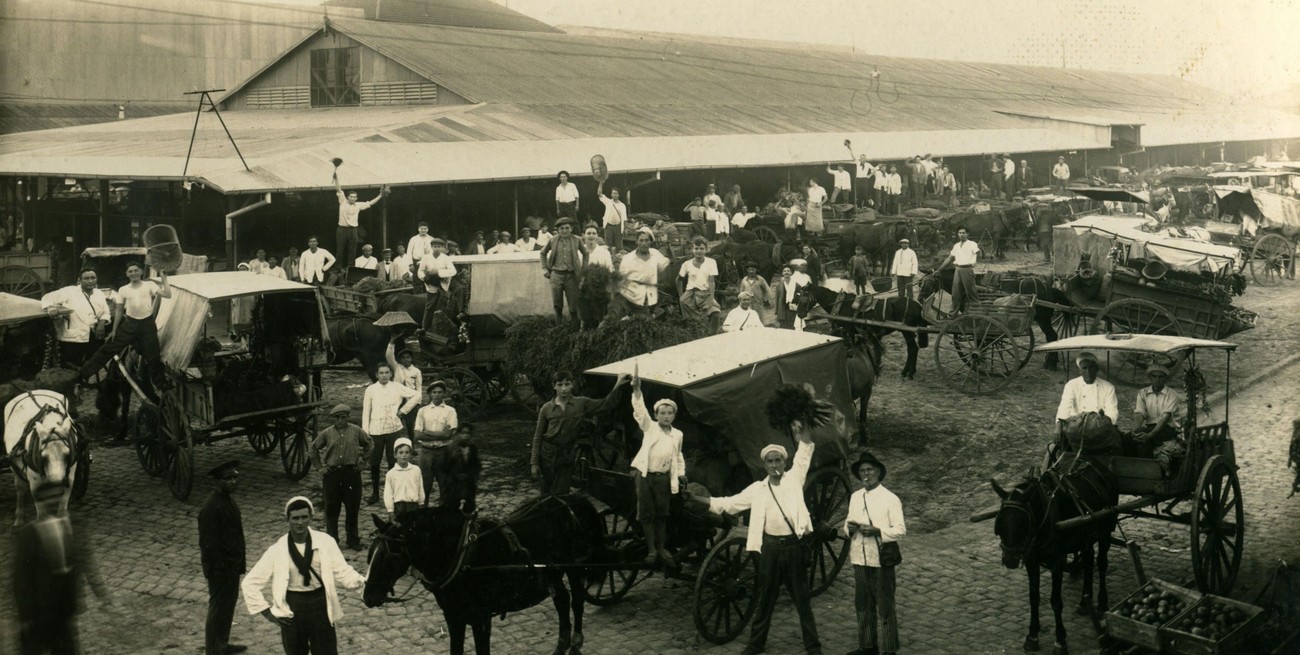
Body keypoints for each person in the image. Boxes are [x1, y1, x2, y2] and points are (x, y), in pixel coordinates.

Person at [689, 420, 821, 655]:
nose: (774, 465)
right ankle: (756, 644)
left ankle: (813, 647)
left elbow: (806, 447)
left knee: (802, 601)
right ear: (765, 465)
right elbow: (728, 504)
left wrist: (805, 420)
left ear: (784, 462)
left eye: (777, 460)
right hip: (769, 550)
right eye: (769, 462)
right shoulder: (757, 490)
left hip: (793, 549)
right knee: (765, 600)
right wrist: (699, 501)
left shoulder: (795, 479)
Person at [242, 497, 367, 655]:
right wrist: (268, 613)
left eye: (304, 517)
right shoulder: (278, 549)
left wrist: (364, 583)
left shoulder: (325, 542)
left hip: (320, 604)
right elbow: (250, 583)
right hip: (293, 606)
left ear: (311, 518)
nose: (300, 522)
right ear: (287, 519)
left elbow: (343, 572)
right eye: (295, 518)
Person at [13, 482, 109, 655]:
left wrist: (100, 592)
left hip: (64, 611)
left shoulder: (72, 527)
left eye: (56, 498)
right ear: (39, 504)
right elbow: (21, 579)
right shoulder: (29, 535)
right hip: (38, 614)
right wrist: (25, 616)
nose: (52, 504)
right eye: (47, 500)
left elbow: (85, 561)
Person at [844, 453, 906, 655]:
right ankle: (868, 646)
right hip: (860, 558)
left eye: (869, 470)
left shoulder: (890, 499)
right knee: (863, 603)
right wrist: (850, 529)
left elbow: (900, 529)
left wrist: (878, 530)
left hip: (881, 559)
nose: (866, 474)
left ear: (878, 472)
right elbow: (847, 525)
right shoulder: (855, 497)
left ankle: (889, 649)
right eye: (862, 471)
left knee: (885, 604)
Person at [531, 371, 629, 496]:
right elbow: (538, 437)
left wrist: (618, 383)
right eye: (560, 385)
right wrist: (534, 463)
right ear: (554, 386)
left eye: (567, 384)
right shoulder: (546, 408)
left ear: (573, 385)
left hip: (566, 454)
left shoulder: (581, 403)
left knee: (561, 494)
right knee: (545, 494)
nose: (564, 389)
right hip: (547, 455)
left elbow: (605, 403)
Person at [77, 261, 171, 387]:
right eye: (130, 271)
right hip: (130, 324)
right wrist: (115, 330)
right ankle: (82, 374)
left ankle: (161, 383)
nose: (134, 273)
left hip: (147, 325)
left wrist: (164, 278)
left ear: (141, 272)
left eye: (136, 270)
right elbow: (120, 310)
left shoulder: (149, 285)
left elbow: (168, 295)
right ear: (127, 274)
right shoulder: (123, 289)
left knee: (153, 355)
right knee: (108, 348)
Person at [629, 371, 686, 568]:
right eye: (662, 413)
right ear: (656, 415)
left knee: (662, 515)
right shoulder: (650, 427)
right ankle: (651, 550)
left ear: (674, 415)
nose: (666, 416)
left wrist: (680, 474)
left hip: (663, 480)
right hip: (645, 477)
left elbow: (678, 456)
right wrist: (637, 390)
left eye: (670, 413)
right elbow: (640, 411)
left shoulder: (677, 435)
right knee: (647, 514)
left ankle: (661, 548)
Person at [199, 460, 247, 655]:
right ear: (217, 481)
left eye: (235, 477)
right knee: (219, 607)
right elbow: (208, 543)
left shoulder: (227, 500)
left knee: (228, 605)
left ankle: (222, 644)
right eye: (228, 478)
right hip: (221, 569)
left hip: (231, 565)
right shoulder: (211, 508)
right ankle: (213, 649)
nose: (233, 481)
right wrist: (220, 568)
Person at [310, 404, 372, 551]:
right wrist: (319, 467)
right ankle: (332, 541)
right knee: (332, 509)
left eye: (343, 417)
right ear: (334, 419)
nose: (340, 421)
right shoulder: (327, 433)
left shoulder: (356, 431)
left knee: (352, 508)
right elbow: (313, 449)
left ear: (348, 417)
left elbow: (370, 444)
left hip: (352, 474)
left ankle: (353, 540)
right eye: (337, 418)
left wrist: (363, 463)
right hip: (332, 475)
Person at [363, 364, 421, 506]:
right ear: (376, 375)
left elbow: (417, 394)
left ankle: (393, 493)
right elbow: (366, 412)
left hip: (394, 429)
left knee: (392, 462)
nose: (384, 375)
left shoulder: (396, 387)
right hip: (376, 430)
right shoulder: (370, 390)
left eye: (386, 372)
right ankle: (375, 493)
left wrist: (403, 411)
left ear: (390, 374)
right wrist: (365, 433)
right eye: (381, 373)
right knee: (375, 462)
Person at [42, 267, 111, 370]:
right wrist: (51, 307)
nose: (90, 281)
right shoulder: (69, 291)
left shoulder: (99, 293)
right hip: (74, 336)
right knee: (71, 365)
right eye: (86, 278)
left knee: (91, 362)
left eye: (93, 278)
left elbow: (106, 311)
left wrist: (101, 324)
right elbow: (47, 297)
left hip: (93, 333)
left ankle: (87, 383)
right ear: (79, 280)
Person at [1130, 364, 1186, 476]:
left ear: (1165, 378)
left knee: (1145, 439)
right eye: (1154, 376)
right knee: (1129, 437)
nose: (1157, 380)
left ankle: (1151, 472)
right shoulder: (1143, 393)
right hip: (1150, 428)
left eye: (1161, 377)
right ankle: (1136, 470)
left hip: (1168, 429)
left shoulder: (1172, 395)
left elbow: (1165, 418)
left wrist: (1151, 434)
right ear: (1150, 378)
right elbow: (1139, 413)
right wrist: (1135, 430)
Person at [413, 380, 458, 503]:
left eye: (440, 392)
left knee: (444, 484)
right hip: (426, 452)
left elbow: (449, 434)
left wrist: (427, 432)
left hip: (443, 452)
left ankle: (442, 515)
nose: (437, 395)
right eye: (434, 392)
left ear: (444, 393)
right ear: (430, 394)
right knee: (424, 485)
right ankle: (424, 513)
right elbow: (417, 435)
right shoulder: (422, 411)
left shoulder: (450, 411)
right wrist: (440, 435)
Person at [610, 228, 669, 320]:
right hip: (625, 297)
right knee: (612, 318)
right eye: (641, 240)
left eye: (646, 240)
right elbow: (620, 280)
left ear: (650, 242)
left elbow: (666, 266)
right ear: (636, 242)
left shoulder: (655, 255)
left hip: (642, 300)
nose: (644, 243)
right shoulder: (628, 259)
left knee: (641, 324)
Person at [540, 217, 587, 326]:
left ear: (571, 229)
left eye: (567, 228)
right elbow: (543, 253)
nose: (564, 230)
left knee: (573, 305)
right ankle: (559, 329)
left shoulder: (577, 240)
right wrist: (544, 269)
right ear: (558, 230)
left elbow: (586, 253)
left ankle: (574, 329)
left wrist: (583, 269)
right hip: (556, 275)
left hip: (571, 276)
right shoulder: (553, 240)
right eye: (562, 228)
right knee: (557, 305)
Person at [334, 176, 383, 267]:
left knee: (352, 250)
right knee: (340, 249)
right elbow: (338, 189)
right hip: (342, 229)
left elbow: (370, 203)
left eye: (355, 197)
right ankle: (338, 268)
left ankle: (350, 268)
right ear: (347, 197)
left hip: (353, 230)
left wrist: (380, 195)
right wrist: (336, 178)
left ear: (356, 198)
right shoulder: (343, 201)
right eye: (351, 197)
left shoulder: (358, 205)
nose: (353, 198)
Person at [677, 237, 722, 332]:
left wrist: (712, 298)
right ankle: (695, 336)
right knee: (693, 322)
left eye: (701, 248)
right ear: (692, 249)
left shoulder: (711, 262)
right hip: (690, 295)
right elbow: (678, 280)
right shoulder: (686, 264)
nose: (699, 251)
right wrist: (681, 296)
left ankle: (712, 336)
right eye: (696, 248)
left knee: (716, 313)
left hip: (705, 294)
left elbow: (711, 282)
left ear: (706, 249)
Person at [384, 338, 422, 438]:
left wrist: (418, 402)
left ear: (411, 358)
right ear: (400, 359)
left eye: (408, 357)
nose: (406, 359)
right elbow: (389, 356)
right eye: (403, 357)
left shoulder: (416, 371)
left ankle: (412, 445)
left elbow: (419, 387)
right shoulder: (397, 368)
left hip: (410, 401)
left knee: (411, 425)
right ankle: (396, 443)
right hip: (398, 400)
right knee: (396, 424)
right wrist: (392, 342)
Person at [937, 228, 979, 313]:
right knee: (955, 294)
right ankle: (952, 315)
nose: (961, 235)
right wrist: (939, 269)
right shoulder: (956, 245)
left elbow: (978, 253)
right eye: (959, 233)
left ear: (967, 234)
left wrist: (979, 251)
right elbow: (950, 258)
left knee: (971, 293)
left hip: (967, 269)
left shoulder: (972, 244)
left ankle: (977, 313)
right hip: (957, 269)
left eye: (963, 233)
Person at [383, 437, 425, 522]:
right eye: (401, 453)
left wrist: (421, 503)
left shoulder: (416, 470)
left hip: (413, 506)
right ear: (395, 455)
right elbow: (388, 494)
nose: (404, 455)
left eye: (407, 452)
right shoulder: (391, 474)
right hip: (399, 507)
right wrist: (390, 510)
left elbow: (420, 488)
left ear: (410, 454)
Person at [442, 424, 481, 513]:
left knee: (469, 505)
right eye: (463, 433)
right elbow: (445, 467)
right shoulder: (451, 447)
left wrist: (473, 476)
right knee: (454, 507)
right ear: (458, 434)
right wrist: (452, 457)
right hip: (454, 484)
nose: (465, 436)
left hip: (468, 482)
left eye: (468, 433)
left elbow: (476, 465)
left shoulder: (473, 447)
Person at [597, 180, 626, 253]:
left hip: (618, 226)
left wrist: (625, 229)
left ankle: (619, 261)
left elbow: (624, 218)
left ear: (619, 195)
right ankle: (608, 260)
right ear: (611, 194)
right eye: (613, 193)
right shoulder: (608, 202)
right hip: (608, 226)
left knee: (619, 246)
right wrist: (601, 182)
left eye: (616, 193)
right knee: (608, 246)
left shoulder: (622, 205)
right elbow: (599, 193)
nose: (615, 195)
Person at [889, 238, 919, 302]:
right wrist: (893, 271)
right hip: (900, 274)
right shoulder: (898, 252)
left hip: (908, 274)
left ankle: (910, 301)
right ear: (901, 244)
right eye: (903, 243)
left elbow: (915, 263)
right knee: (900, 288)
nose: (904, 245)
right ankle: (901, 301)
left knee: (909, 288)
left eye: (906, 243)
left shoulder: (912, 252)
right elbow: (895, 262)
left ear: (908, 244)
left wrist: (913, 272)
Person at [774, 264, 803, 330]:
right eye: (784, 271)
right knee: (783, 327)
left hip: (792, 309)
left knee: (792, 326)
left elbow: (801, 295)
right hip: (783, 308)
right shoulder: (779, 286)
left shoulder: (796, 285)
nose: (786, 272)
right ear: (782, 273)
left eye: (788, 271)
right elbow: (777, 299)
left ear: (791, 273)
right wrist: (777, 311)